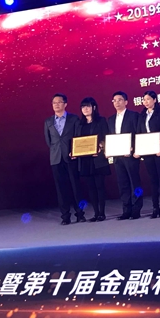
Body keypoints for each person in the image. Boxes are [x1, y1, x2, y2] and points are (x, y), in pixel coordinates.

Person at [44, 94, 85, 225]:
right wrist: (57, 151)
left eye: (59, 102)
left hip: (71, 156)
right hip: (56, 158)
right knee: (61, 189)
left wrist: (75, 151)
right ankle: (65, 216)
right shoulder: (48, 121)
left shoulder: (73, 119)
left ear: (65, 104)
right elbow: (49, 141)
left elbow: (78, 136)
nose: (56, 105)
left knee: (75, 186)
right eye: (54, 103)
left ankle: (80, 214)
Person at [107, 91, 143, 220]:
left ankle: (136, 209)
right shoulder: (111, 119)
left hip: (130, 155)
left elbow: (138, 133)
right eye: (114, 100)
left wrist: (133, 147)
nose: (117, 102)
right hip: (118, 157)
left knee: (134, 182)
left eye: (120, 100)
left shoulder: (134, 115)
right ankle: (126, 209)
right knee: (123, 183)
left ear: (126, 102)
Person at [134, 91, 160, 218]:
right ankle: (155, 208)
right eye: (144, 100)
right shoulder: (141, 115)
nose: (146, 102)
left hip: (159, 150)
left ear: (155, 100)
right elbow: (139, 133)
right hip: (147, 151)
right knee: (153, 179)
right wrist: (138, 149)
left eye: (148, 99)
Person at [76, 97, 110, 222]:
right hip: (86, 160)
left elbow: (106, 136)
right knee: (91, 188)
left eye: (88, 106)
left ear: (94, 107)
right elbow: (77, 141)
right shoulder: (80, 124)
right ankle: (95, 213)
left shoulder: (101, 121)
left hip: (98, 159)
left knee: (100, 186)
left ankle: (102, 213)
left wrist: (101, 145)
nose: (85, 109)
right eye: (83, 107)